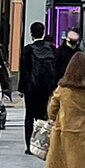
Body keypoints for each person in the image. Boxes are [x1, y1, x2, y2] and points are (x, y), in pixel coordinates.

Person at [18, 21, 57, 154]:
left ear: (31, 34)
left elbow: (24, 71)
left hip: (31, 88)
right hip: (46, 88)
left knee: (29, 116)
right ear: (44, 32)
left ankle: (29, 146)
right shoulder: (52, 49)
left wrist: (21, 89)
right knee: (44, 115)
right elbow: (56, 69)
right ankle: (43, 144)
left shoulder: (28, 50)